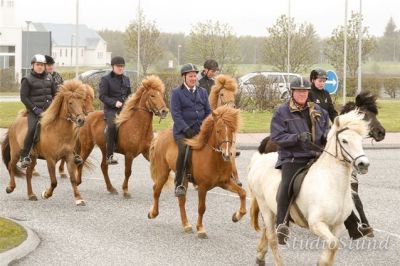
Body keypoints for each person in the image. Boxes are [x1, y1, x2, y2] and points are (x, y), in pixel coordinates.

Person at [270, 77, 330, 245]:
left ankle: (350, 221)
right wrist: (296, 137)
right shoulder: (281, 111)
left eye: (305, 91)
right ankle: (281, 224)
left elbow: (327, 128)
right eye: (299, 91)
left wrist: (326, 136)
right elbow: (276, 136)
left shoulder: (318, 110)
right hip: (293, 156)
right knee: (286, 185)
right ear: (292, 93)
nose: (302, 94)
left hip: (316, 155)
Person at [170, 63, 211, 197]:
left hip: (200, 129)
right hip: (183, 131)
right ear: (184, 77)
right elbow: (176, 114)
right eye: (190, 76)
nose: (193, 78)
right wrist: (186, 129)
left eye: (194, 76)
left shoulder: (203, 92)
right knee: (183, 151)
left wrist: (205, 127)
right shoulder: (176, 93)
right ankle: (179, 184)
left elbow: (208, 112)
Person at [19, 54, 57, 168]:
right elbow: (24, 97)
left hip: (50, 111)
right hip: (35, 111)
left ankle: (73, 152)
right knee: (32, 129)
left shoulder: (49, 77)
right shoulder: (27, 79)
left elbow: (56, 94)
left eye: (42, 65)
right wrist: (35, 109)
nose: (40, 67)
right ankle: (25, 156)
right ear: (33, 66)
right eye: (38, 65)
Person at [99, 56, 131, 165]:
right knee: (112, 126)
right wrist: (114, 103)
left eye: (122, 66)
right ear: (113, 67)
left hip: (124, 109)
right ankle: (109, 155)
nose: (120, 68)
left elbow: (128, 95)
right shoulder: (106, 79)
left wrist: (129, 102)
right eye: (118, 66)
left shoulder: (126, 79)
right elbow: (102, 96)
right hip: (111, 110)